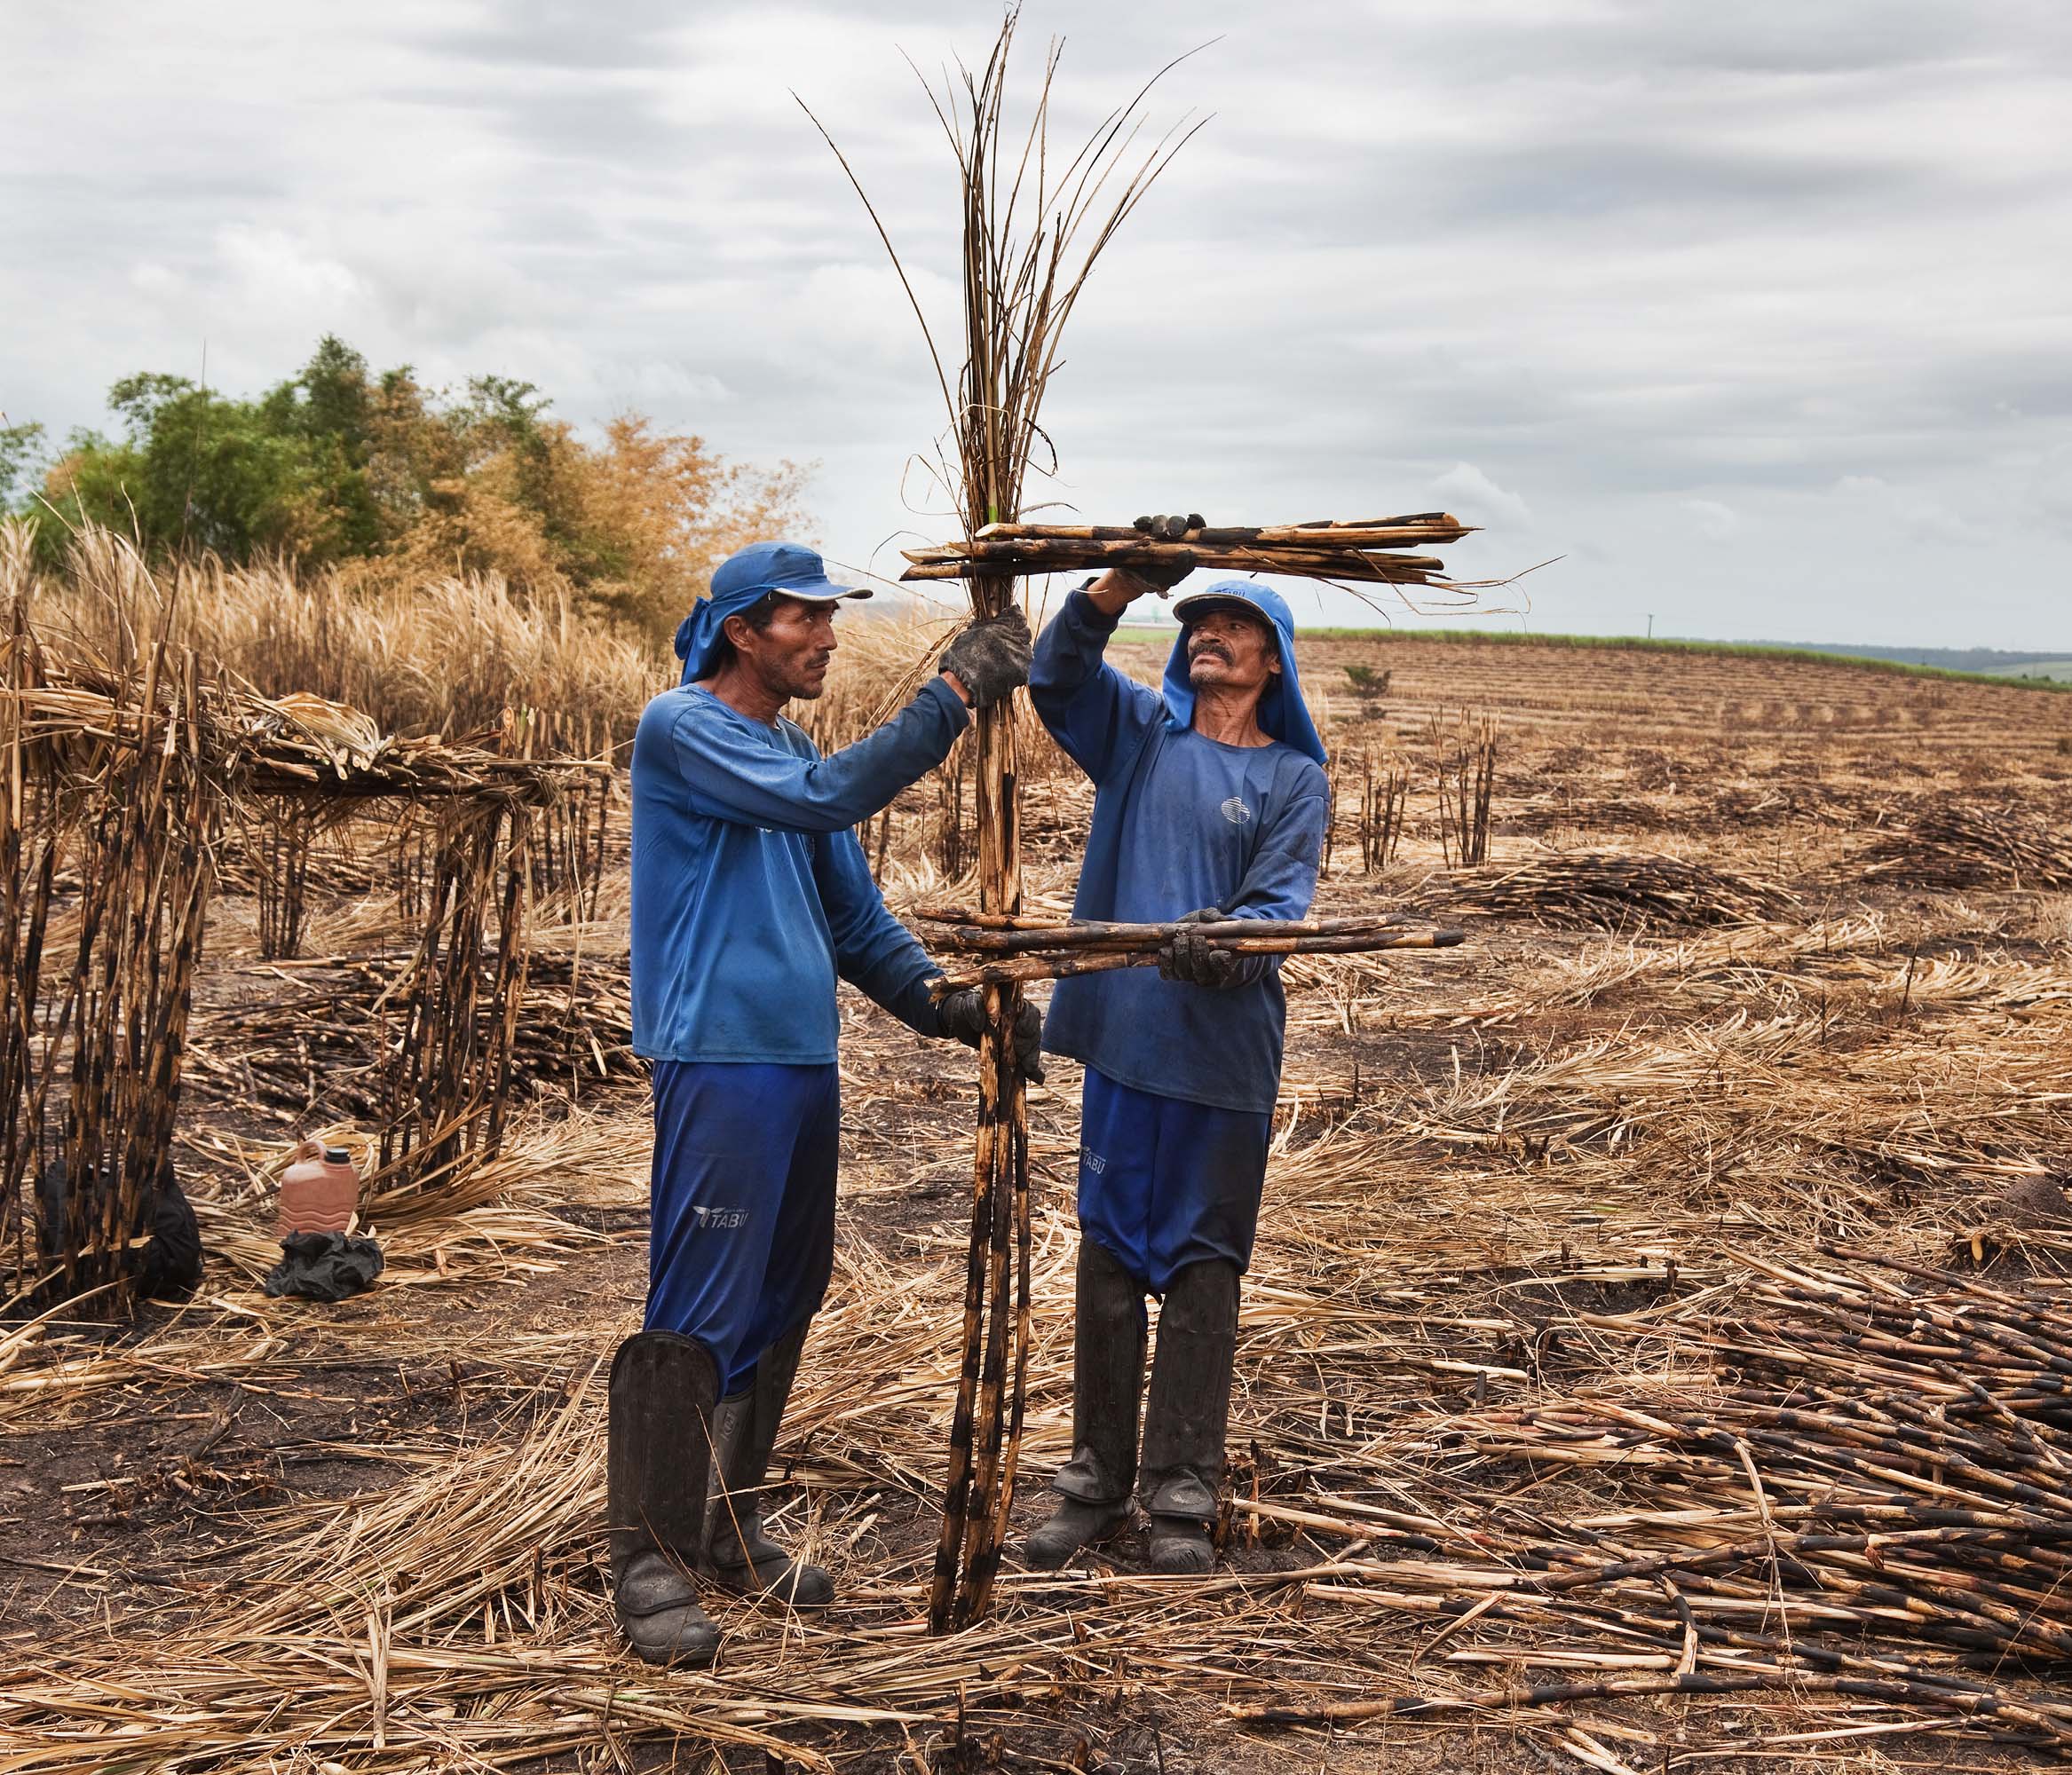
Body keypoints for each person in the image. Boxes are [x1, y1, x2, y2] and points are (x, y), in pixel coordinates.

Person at [612, 540, 1042, 1666]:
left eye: (830, 616)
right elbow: (828, 794)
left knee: (783, 1290)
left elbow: (854, 922)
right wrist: (952, 693)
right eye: (806, 617)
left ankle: (727, 1520)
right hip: (717, 1055)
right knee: (702, 1297)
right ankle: (648, 1558)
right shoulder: (687, 728)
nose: (828, 634)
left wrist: (946, 1005)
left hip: (800, 1060)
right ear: (745, 629)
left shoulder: (786, 743)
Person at [1023, 532, 1329, 1575]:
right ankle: (1094, 1482)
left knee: (1204, 1266)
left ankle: (1182, 1493)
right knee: (1108, 1258)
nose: (1211, 636)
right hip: (1126, 1041)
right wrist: (1119, 584)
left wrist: (1226, 949)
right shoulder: (1142, 736)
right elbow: (1054, 675)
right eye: (1198, 622)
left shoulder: (1293, 778)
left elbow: (1281, 905)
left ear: (1274, 660)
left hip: (1222, 1057)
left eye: (1236, 626)